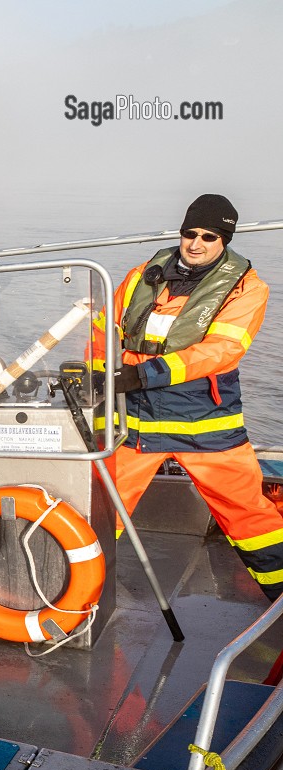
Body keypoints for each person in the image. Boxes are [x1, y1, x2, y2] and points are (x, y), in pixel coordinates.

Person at [95, 193, 283, 602]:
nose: (196, 243)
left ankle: (279, 594)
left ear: (225, 240)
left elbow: (223, 350)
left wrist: (142, 374)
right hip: (135, 423)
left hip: (205, 423)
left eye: (209, 236)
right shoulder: (141, 275)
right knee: (99, 511)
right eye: (189, 233)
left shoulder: (248, 289)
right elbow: (102, 328)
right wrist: (98, 374)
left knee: (250, 518)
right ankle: (73, 594)